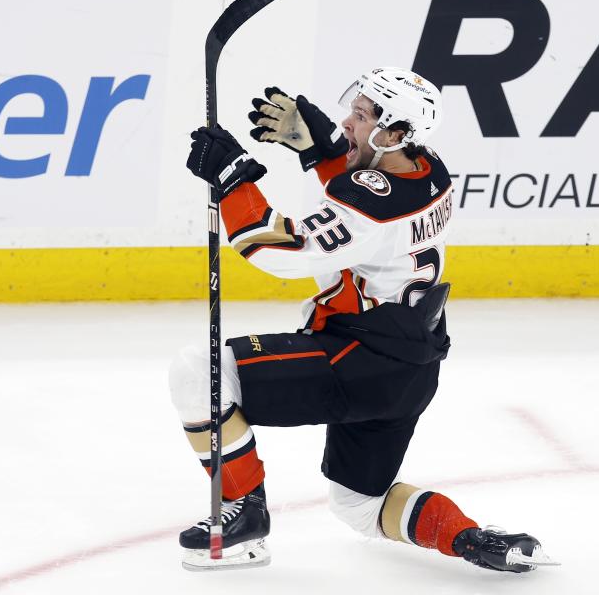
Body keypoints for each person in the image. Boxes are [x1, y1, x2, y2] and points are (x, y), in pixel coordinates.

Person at [171, 67, 555, 572]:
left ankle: (243, 516)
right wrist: (323, 151)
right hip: (408, 369)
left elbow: (274, 248)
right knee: (360, 506)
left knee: (200, 370)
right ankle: (470, 539)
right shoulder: (429, 167)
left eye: (360, 116)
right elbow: (367, 192)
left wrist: (233, 179)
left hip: (357, 360)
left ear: (395, 133)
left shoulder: (376, 203)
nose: (346, 122)